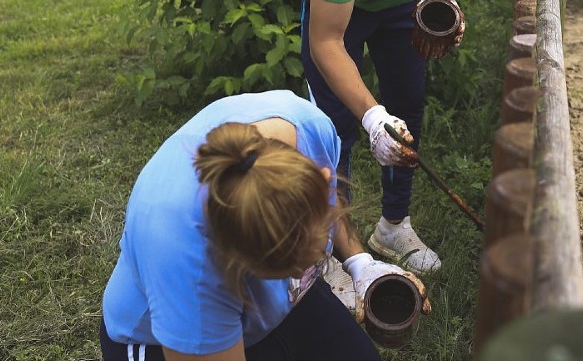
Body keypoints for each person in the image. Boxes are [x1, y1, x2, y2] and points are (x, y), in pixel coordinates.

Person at [286, 0, 495, 276]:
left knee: (407, 103)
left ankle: (393, 225)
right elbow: (327, 41)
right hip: (342, 0)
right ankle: (331, 250)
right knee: (333, 127)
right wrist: (371, 117)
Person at [100, 90, 429, 361]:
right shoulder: (188, 259)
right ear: (235, 256)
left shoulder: (309, 129)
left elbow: (329, 204)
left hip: (273, 311)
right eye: (281, 270)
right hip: (159, 341)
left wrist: (360, 262)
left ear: (320, 178)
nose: (308, 268)